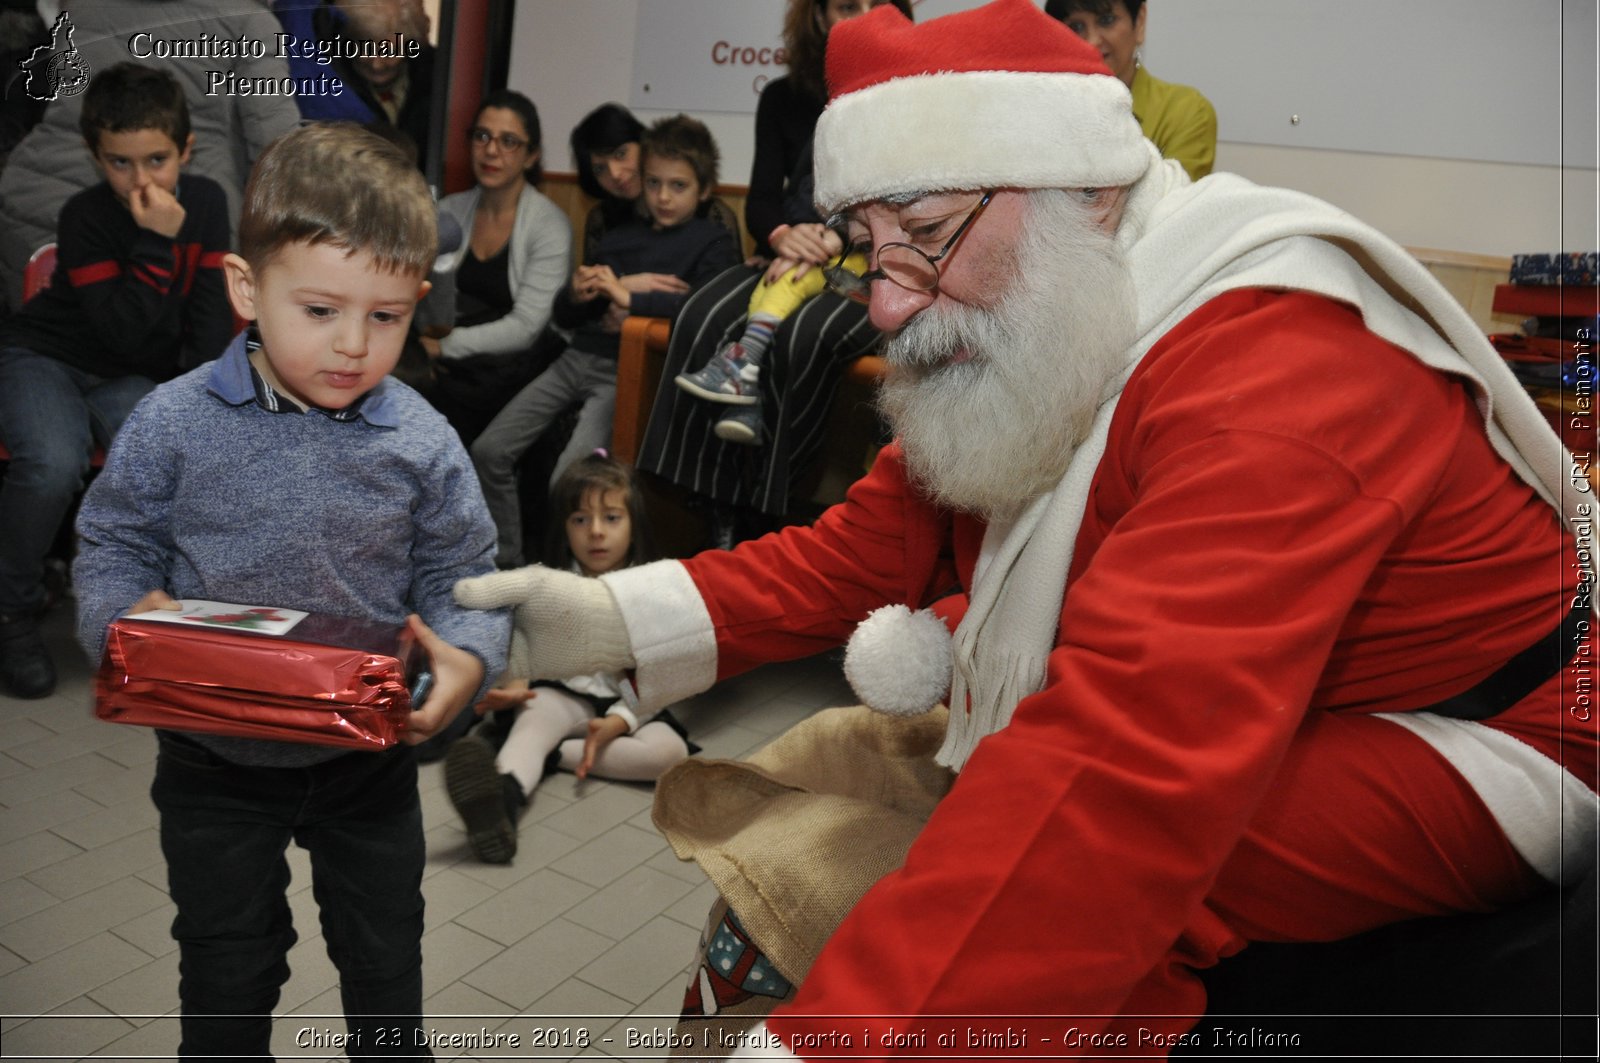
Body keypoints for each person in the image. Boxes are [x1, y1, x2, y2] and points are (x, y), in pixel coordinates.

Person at [452, 0, 1594, 1056]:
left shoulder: (1281, 363)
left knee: (1149, 880)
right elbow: (872, 539)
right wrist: (599, 615)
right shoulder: (1056, 301)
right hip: (1294, 691)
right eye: (868, 245)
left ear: (1085, 193)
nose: (889, 299)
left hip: (1499, 737)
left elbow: (1120, 778)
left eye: (930, 233)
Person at [72, 123, 508, 1058]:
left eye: (385, 317)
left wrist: (471, 652)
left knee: (386, 960)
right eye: (319, 310)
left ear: (415, 304)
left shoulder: (422, 440)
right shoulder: (173, 422)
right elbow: (111, 540)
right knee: (228, 967)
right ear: (245, 288)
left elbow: (463, 571)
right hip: (213, 763)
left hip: (367, 759)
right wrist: (121, 616)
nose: (353, 345)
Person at [636, 0, 911, 541]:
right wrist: (788, 236)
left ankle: (770, 510)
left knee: (803, 337)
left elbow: (910, 198)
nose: (856, 16)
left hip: (875, 261)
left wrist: (835, 234)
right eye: (843, 5)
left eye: (870, 3)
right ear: (818, 16)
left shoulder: (909, 94)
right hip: (794, 244)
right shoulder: (784, 98)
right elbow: (761, 202)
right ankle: (708, 501)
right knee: (704, 311)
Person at [0, 63, 233, 701]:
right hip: (45, 356)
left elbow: (210, 324)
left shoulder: (208, 203)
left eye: (156, 160)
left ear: (185, 150)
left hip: (127, 375)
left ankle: (151, 616)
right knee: (51, 461)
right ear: (93, 156)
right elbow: (122, 331)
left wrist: (198, 413)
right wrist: (159, 243)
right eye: (119, 163)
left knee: (170, 455)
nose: (140, 181)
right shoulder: (85, 216)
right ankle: (12, 610)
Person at [470, 113, 741, 569]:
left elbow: (709, 311)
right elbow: (568, 313)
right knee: (488, 451)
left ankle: (568, 577)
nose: (662, 197)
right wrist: (579, 293)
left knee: (568, 479)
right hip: (577, 356)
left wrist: (632, 298)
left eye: (677, 186)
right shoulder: (618, 237)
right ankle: (510, 563)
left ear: (704, 189)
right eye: (653, 183)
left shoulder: (711, 240)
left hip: (624, 369)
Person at [445, 452, 696, 864]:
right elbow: (524, 645)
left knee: (670, 756)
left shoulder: (655, 588)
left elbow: (661, 677)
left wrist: (620, 721)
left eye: (611, 518)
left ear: (634, 525)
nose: (596, 533)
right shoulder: (552, 581)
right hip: (562, 695)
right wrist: (515, 689)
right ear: (564, 528)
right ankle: (500, 807)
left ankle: (550, 754)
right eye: (580, 519)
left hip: (631, 704)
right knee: (535, 718)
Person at [0, 0, 299, 310]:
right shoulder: (248, 21)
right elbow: (278, 157)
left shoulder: (83, 7)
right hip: (179, 217)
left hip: (37, 201)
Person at [415, 90, 572, 445]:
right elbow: (424, 298)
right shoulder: (451, 211)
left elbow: (526, 328)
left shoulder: (549, 225)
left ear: (531, 156)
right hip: (451, 359)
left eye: (509, 142)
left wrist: (443, 347)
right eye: (482, 136)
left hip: (512, 364)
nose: (491, 151)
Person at [1047, 0, 1217, 180]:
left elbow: (1176, 202)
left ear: (1140, 21)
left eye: (1106, 20)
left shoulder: (1187, 111)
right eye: (1076, 26)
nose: (1092, 41)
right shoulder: (1047, 110)